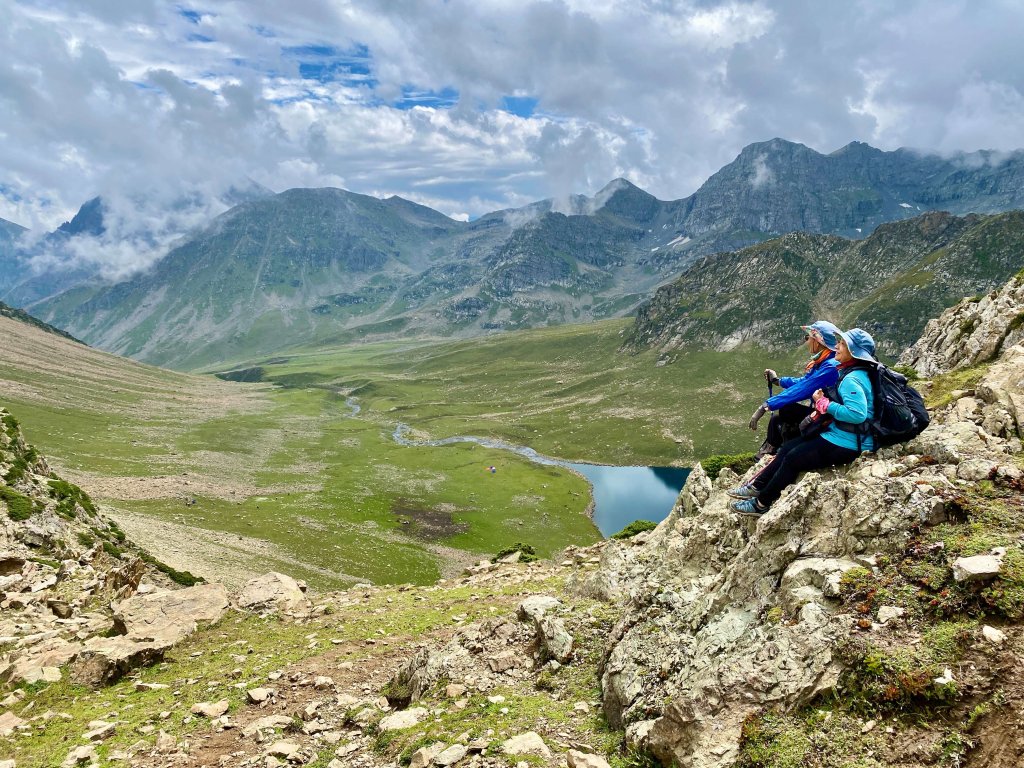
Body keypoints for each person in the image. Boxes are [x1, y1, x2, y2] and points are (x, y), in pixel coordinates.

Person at [728, 328, 878, 517]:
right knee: (787, 448)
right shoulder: (852, 371)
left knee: (793, 458)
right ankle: (757, 487)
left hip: (850, 440)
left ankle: (760, 504)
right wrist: (780, 382)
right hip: (843, 433)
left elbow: (857, 415)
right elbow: (806, 382)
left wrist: (825, 404)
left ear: (853, 352)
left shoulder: (851, 379)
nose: (837, 346)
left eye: (843, 344)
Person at [748, 321, 842, 457]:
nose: (806, 341)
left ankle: (775, 452)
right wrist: (778, 381)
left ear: (818, 341)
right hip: (827, 413)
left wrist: (766, 406)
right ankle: (773, 451)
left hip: (831, 417)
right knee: (777, 419)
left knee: (787, 410)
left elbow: (804, 387)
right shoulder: (825, 361)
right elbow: (804, 382)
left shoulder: (830, 366)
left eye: (808, 337)